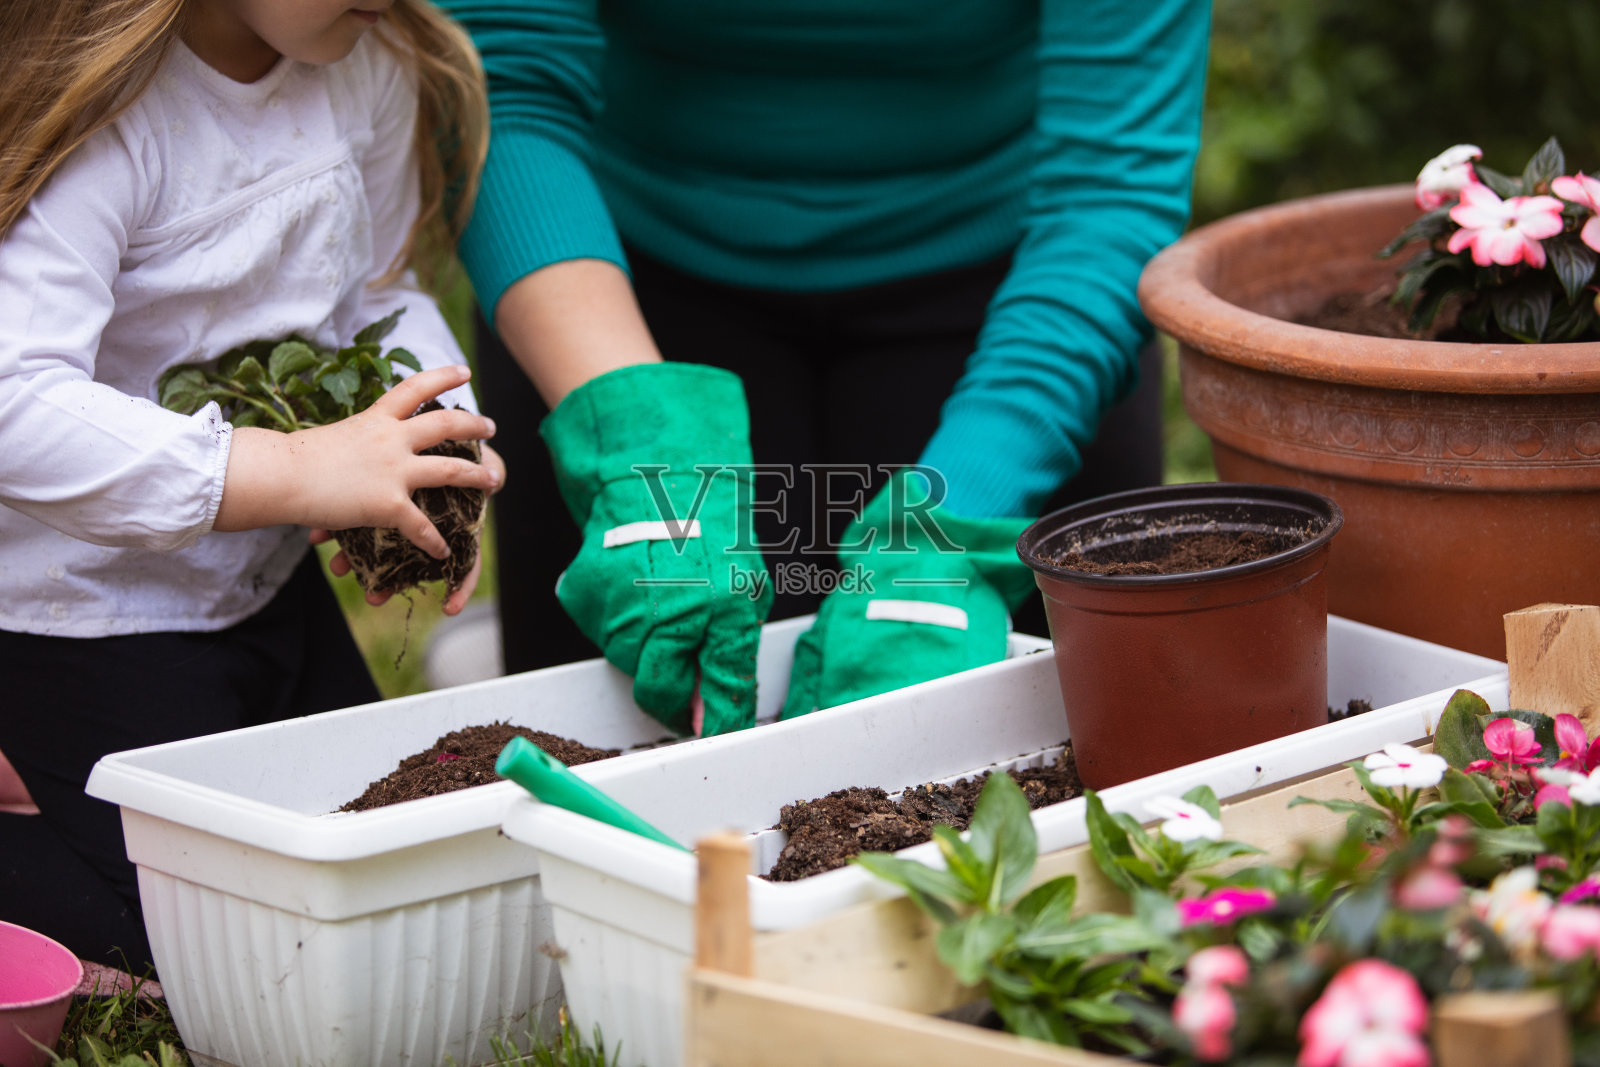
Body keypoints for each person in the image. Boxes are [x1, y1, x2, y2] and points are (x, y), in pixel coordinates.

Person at [443, 1, 1211, 737]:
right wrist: (638, 436)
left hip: (1018, 294)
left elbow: (1112, 181)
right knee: (632, 724)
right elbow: (505, 85)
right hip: (610, 282)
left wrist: (960, 515)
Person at [0, 0, 500, 974]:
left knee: (381, 848)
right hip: (81, 612)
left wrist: (436, 438)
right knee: (205, 946)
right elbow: (14, 402)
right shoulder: (110, 115)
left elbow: (379, 287)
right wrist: (299, 468)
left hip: (261, 580)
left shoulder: (366, 56)